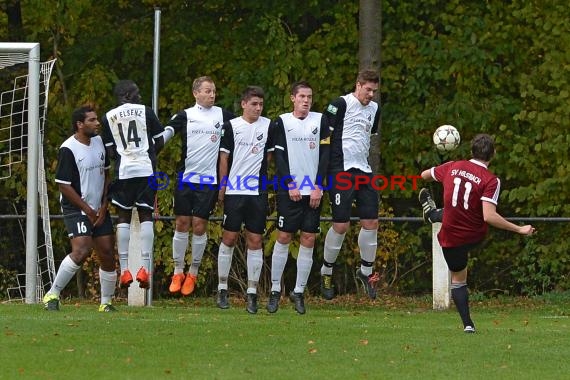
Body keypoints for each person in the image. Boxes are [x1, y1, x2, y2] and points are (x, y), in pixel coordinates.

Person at [419, 133, 536, 333]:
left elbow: (424, 176)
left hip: (450, 237)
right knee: (469, 213)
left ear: (471, 151)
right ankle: (434, 214)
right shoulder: (491, 180)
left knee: (458, 279)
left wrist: (445, 169)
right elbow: (489, 216)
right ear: (494, 154)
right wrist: (519, 229)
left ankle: (468, 325)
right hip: (474, 235)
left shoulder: (453, 166)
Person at [163, 76, 235, 296]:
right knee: (182, 222)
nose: (212, 95)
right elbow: (166, 133)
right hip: (187, 178)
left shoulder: (223, 116)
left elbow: (242, 130)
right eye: (207, 91)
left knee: (199, 226)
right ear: (195, 93)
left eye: (214, 91)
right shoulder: (186, 115)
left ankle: (192, 272)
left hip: (209, 181)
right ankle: (178, 271)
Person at [43, 106, 118, 312]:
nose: (97, 123)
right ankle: (53, 294)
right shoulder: (68, 149)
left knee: (107, 252)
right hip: (76, 208)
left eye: (96, 119)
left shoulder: (100, 142)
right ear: (80, 124)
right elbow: (63, 185)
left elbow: (106, 176)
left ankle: (106, 302)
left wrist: (103, 206)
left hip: (98, 208)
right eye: (92, 120)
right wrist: (88, 209)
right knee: (82, 249)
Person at [267, 81, 330, 314]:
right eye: (302, 96)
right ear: (292, 98)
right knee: (283, 236)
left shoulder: (321, 120)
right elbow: (279, 157)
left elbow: (325, 155)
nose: (306, 100)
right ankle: (275, 291)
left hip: (313, 190)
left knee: (309, 239)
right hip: (290, 189)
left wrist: (318, 186)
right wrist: (289, 184)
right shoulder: (282, 122)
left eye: (309, 96)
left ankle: (299, 292)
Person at [319, 69, 381, 300]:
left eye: (374, 91)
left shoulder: (375, 109)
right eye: (368, 90)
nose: (371, 95)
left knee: (371, 221)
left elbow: (368, 136)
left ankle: (366, 272)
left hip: (363, 170)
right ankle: (326, 271)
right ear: (358, 85)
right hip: (340, 169)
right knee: (341, 225)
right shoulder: (340, 104)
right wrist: (323, 174)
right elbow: (324, 139)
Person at [100, 80, 165, 290]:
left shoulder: (108, 117)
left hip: (124, 171)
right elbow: (160, 140)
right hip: (146, 169)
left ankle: (126, 270)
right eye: (137, 93)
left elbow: (109, 152)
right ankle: (144, 269)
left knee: (123, 217)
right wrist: (149, 154)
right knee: (146, 215)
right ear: (127, 94)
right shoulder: (145, 111)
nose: (140, 96)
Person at [216, 86, 274, 314]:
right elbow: (223, 158)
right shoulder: (231, 126)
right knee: (229, 237)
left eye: (261, 104)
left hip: (256, 191)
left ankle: (251, 293)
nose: (258, 108)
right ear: (243, 104)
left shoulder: (269, 125)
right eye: (254, 104)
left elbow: (268, 156)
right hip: (234, 190)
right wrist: (223, 186)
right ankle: (222, 288)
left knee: (255, 240)